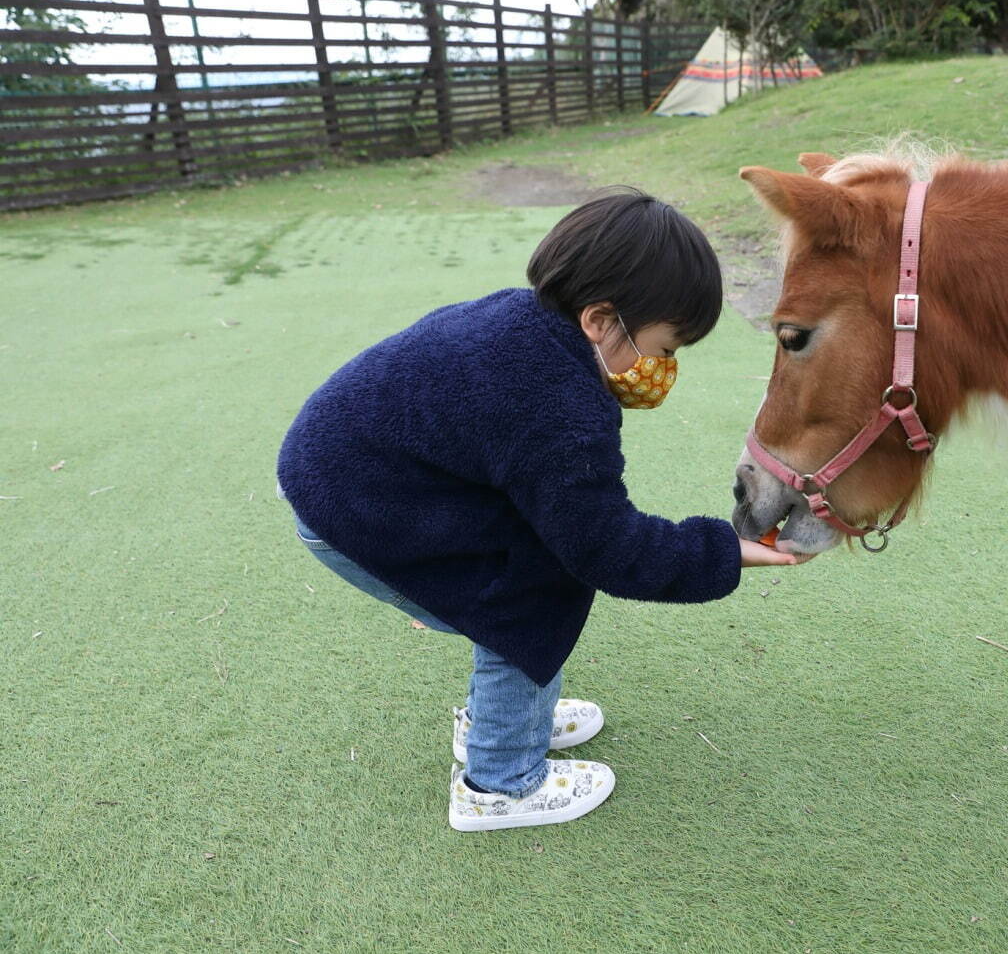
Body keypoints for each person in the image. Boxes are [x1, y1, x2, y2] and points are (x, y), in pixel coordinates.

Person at [276, 188, 797, 832]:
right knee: (533, 591)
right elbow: (606, 547)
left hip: (358, 474)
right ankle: (499, 781)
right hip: (357, 504)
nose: (662, 368)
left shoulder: (525, 324)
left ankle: (507, 715)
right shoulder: (556, 402)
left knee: (543, 555)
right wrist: (722, 551)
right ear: (601, 320)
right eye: (663, 347)